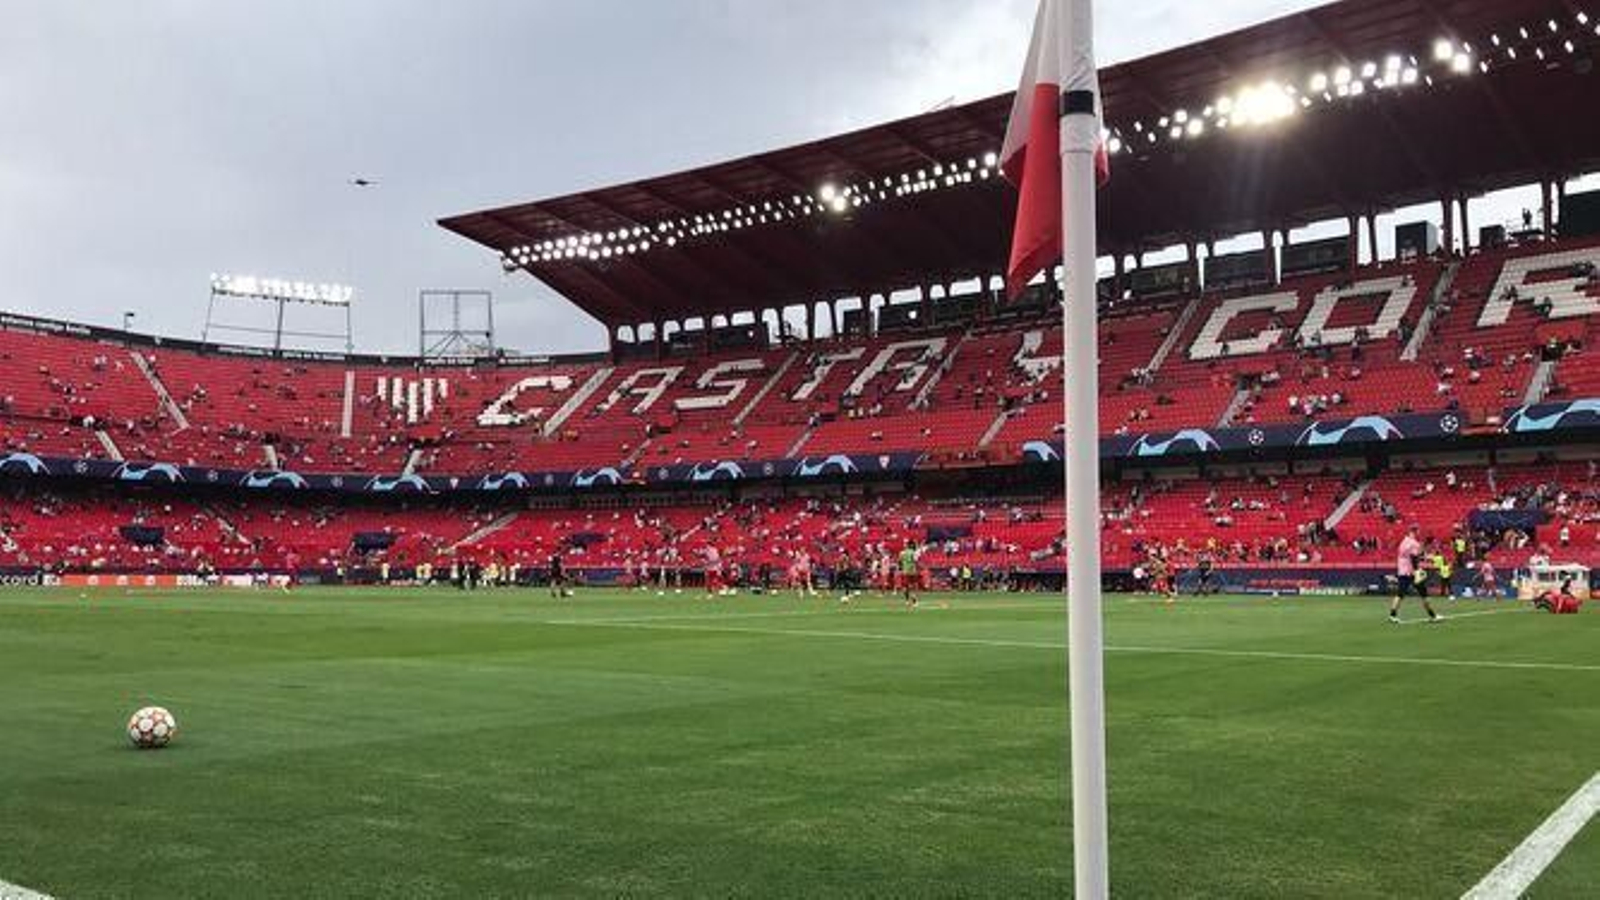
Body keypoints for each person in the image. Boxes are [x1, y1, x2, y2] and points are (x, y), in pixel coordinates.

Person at [1390, 525, 1441, 623]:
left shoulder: (1403, 542)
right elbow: (1414, 558)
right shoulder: (1414, 543)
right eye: (1418, 531)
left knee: (1400, 594)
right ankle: (1432, 616)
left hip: (1402, 571)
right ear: (1415, 531)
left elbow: (1410, 556)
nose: (1419, 533)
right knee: (1424, 595)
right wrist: (1417, 570)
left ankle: (1392, 615)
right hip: (1412, 572)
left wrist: (1424, 555)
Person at [898, 539, 921, 609]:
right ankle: (914, 602)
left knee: (905, 587)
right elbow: (916, 561)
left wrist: (901, 569)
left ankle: (907, 601)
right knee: (913, 587)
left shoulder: (901, 553)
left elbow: (899, 562)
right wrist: (918, 569)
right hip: (912, 571)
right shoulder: (913, 553)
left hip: (905, 572)